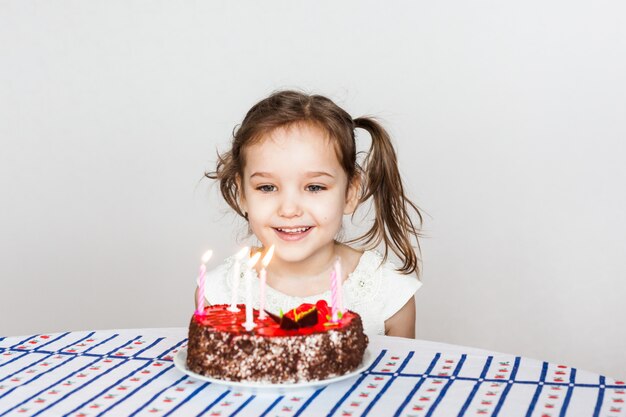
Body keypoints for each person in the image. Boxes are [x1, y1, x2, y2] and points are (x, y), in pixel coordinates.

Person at [202, 90, 423, 338]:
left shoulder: (388, 295)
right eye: (267, 187)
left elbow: (400, 375)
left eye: (314, 187)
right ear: (242, 193)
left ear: (350, 193)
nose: (289, 210)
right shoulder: (219, 293)